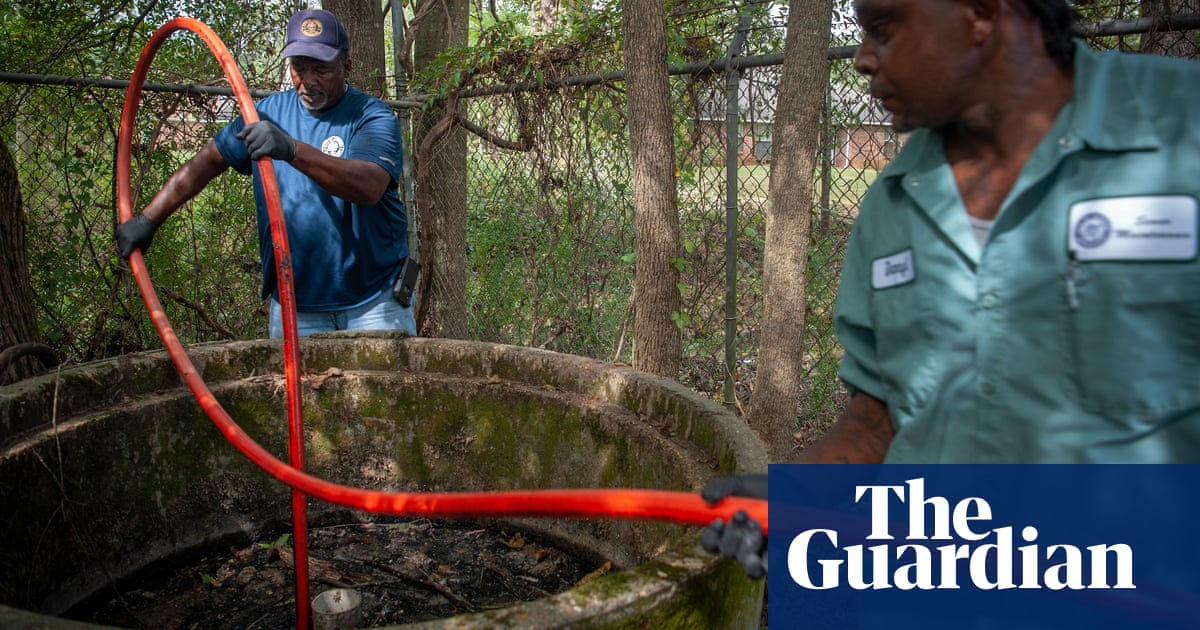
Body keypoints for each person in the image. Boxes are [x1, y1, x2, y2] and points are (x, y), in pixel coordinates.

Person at [704, 0, 1200, 575]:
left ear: (980, 14)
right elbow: (881, 414)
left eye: (882, 28)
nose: (863, 58)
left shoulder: (1181, 125)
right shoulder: (894, 200)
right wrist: (798, 496)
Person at [117, 9, 417, 339]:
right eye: (298, 68)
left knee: (380, 374)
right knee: (293, 376)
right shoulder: (266, 115)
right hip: (295, 302)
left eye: (321, 70)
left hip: (374, 301)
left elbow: (369, 185)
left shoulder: (372, 116)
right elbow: (207, 161)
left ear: (346, 67)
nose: (308, 81)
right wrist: (148, 219)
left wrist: (291, 149)